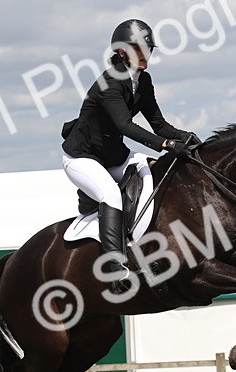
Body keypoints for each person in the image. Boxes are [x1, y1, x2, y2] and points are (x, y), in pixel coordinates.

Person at [60, 19, 200, 293]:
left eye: (148, 48)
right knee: (111, 195)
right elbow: (126, 126)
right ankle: (115, 270)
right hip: (82, 158)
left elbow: (159, 124)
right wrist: (167, 144)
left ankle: (145, 246)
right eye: (139, 48)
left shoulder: (143, 81)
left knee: (153, 173)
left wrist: (187, 138)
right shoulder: (110, 83)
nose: (145, 53)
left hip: (114, 155)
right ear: (122, 52)